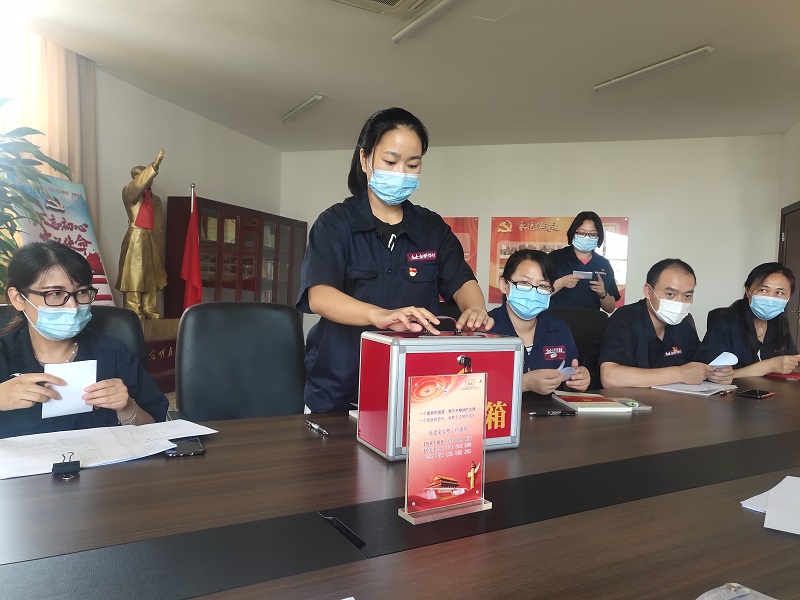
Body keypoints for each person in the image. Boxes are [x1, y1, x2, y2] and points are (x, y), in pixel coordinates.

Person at [297, 108, 494, 412]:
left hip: (416, 387)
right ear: (365, 159)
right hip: (340, 386)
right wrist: (379, 315)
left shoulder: (432, 229)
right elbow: (320, 296)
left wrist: (475, 309)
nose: (401, 173)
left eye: (412, 164)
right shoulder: (335, 224)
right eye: (390, 162)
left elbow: (461, 280)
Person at [0, 241, 168, 438]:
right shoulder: (4, 355)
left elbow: (157, 428)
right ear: (18, 298)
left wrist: (127, 407)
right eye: (55, 294)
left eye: (81, 292)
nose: (73, 306)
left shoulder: (113, 354)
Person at [599, 258, 734, 388]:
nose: (679, 302)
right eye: (670, 294)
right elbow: (610, 378)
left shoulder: (682, 325)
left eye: (687, 296)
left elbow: (707, 362)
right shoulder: (624, 321)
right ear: (648, 291)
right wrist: (680, 374)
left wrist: (721, 373)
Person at [489, 249, 590, 394]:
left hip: (549, 408)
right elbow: (467, 388)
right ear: (504, 285)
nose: (533, 291)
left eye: (542, 285)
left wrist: (577, 381)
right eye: (524, 282)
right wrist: (523, 384)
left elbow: (567, 383)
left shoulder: (559, 329)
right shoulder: (483, 330)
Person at [700, 263, 799, 377]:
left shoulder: (778, 323)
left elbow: (792, 362)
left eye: (779, 293)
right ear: (748, 291)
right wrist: (769, 366)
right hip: (735, 388)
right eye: (763, 290)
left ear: (788, 297)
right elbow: (711, 374)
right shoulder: (725, 324)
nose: (771, 298)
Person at [115, 149, 168, 320]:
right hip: (136, 236)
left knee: (151, 274)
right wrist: (154, 166)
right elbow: (135, 188)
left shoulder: (155, 200)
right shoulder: (129, 194)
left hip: (151, 238)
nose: (147, 180)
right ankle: (134, 307)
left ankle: (149, 306)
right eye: (142, 177)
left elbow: (158, 225)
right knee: (134, 274)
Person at [549, 211, 620, 313]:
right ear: (573, 233)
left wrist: (603, 293)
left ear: (599, 236)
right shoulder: (555, 258)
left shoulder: (603, 264)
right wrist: (560, 283)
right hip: (556, 320)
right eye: (582, 233)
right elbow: (538, 294)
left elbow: (610, 308)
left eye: (592, 234)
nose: (587, 237)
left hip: (590, 321)